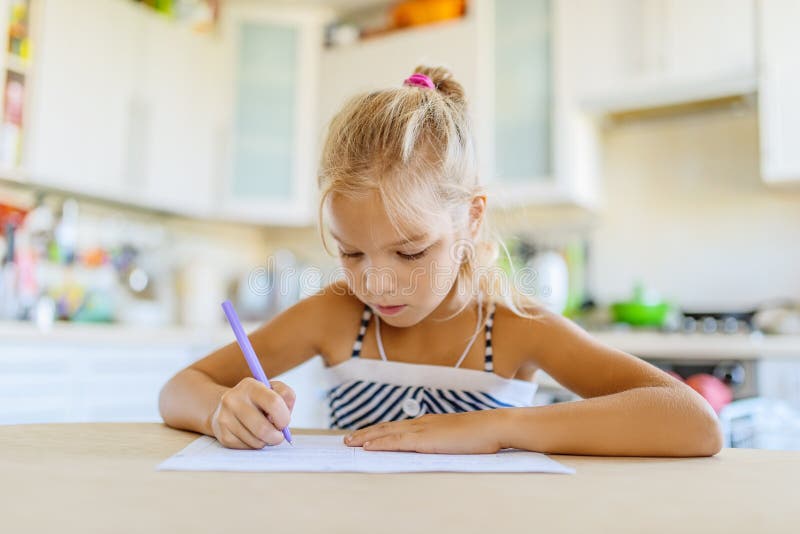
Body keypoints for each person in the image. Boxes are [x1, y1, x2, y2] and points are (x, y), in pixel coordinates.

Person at [159, 66, 722, 457]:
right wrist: (220, 411)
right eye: (351, 252)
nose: (375, 281)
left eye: (409, 251)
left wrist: (498, 428)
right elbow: (181, 387)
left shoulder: (514, 327)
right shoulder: (336, 316)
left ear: (471, 220)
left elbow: (694, 422)